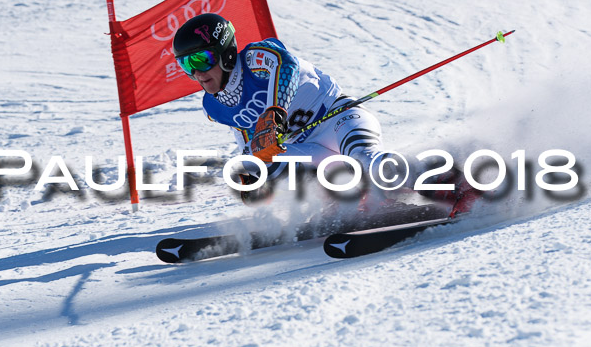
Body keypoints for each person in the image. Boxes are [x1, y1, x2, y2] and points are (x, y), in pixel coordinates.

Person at [172, 13, 478, 216]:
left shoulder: (255, 58)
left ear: (225, 51)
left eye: (202, 58)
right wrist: (250, 176)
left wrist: (275, 110)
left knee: (366, 158)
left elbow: (286, 66)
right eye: (187, 65)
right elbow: (247, 141)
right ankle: (350, 194)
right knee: (259, 160)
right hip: (310, 146)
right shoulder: (214, 106)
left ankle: (454, 183)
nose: (197, 72)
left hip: (338, 119)